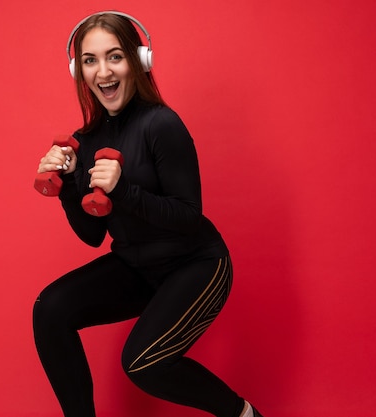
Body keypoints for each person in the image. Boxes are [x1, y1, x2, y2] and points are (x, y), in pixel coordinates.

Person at [32, 11, 264, 417]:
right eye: (90, 60)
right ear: (78, 70)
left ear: (139, 61)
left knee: (143, 363)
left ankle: (242, 415)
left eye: (115, 56)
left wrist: (123, 189)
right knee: (50, 308)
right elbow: (92, 236)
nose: (103, 71)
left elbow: (189, 216)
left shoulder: (162, 124)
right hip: (137, 266)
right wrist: (69, 184)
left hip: (197, 265)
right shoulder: (85, 141)